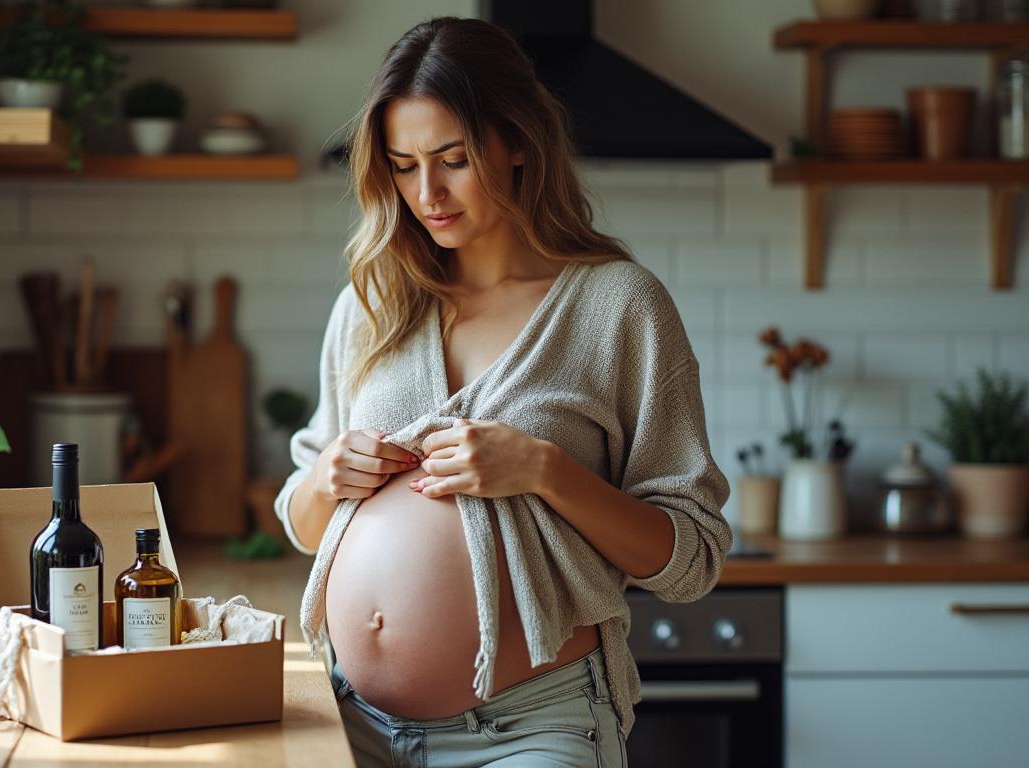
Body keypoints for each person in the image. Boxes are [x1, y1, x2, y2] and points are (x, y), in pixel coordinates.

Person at [273, 16, 731, 768]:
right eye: (403, 164)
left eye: (452, 159)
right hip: (350, 724)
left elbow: (693, 562)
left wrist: (547, 472)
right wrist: (325, 481)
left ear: (517, 141)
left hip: (530, 730)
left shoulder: (618, 307)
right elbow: (303, 520)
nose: (428, 193)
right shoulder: (374, 302)